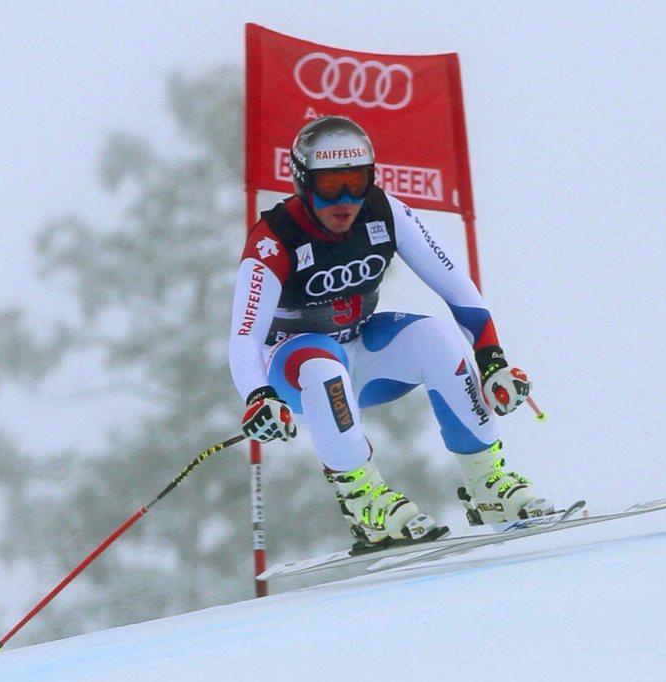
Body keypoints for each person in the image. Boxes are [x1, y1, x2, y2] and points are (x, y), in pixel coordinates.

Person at [229, 116, 548, 552]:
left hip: (366, 348)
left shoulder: (385, 212)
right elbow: (244, 335)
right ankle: (363, 499)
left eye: (356, 182)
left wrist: (492, 360)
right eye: (328, 186)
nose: (344, 200)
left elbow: (457, 287)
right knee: (322, 364)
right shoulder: (274, 240)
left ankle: (487, 482)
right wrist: (257, 396)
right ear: (303, 182)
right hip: (299, 365)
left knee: (436, 336)